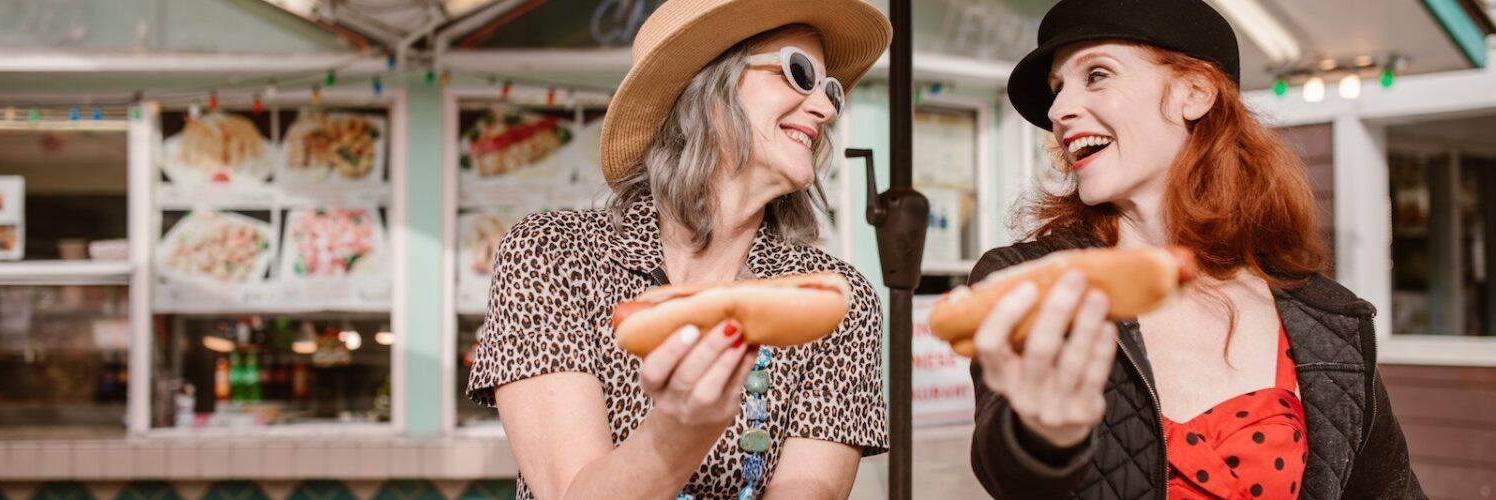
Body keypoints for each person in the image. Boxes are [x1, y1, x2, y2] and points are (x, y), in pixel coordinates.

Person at [965, 0, 1425, 498]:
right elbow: (1005, 470)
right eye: (1058, 90)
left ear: (1194, 93)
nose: (1057, 111)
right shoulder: (1031, 281)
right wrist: (1041, 439)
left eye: (1096, 75)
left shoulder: (1327, 318)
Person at [463, 1, 892, 498]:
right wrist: (681, 429)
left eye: (831, 89)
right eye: (799, 73)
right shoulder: (551, 255)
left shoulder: (837, 302)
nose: (828, 107)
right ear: (708, 88)